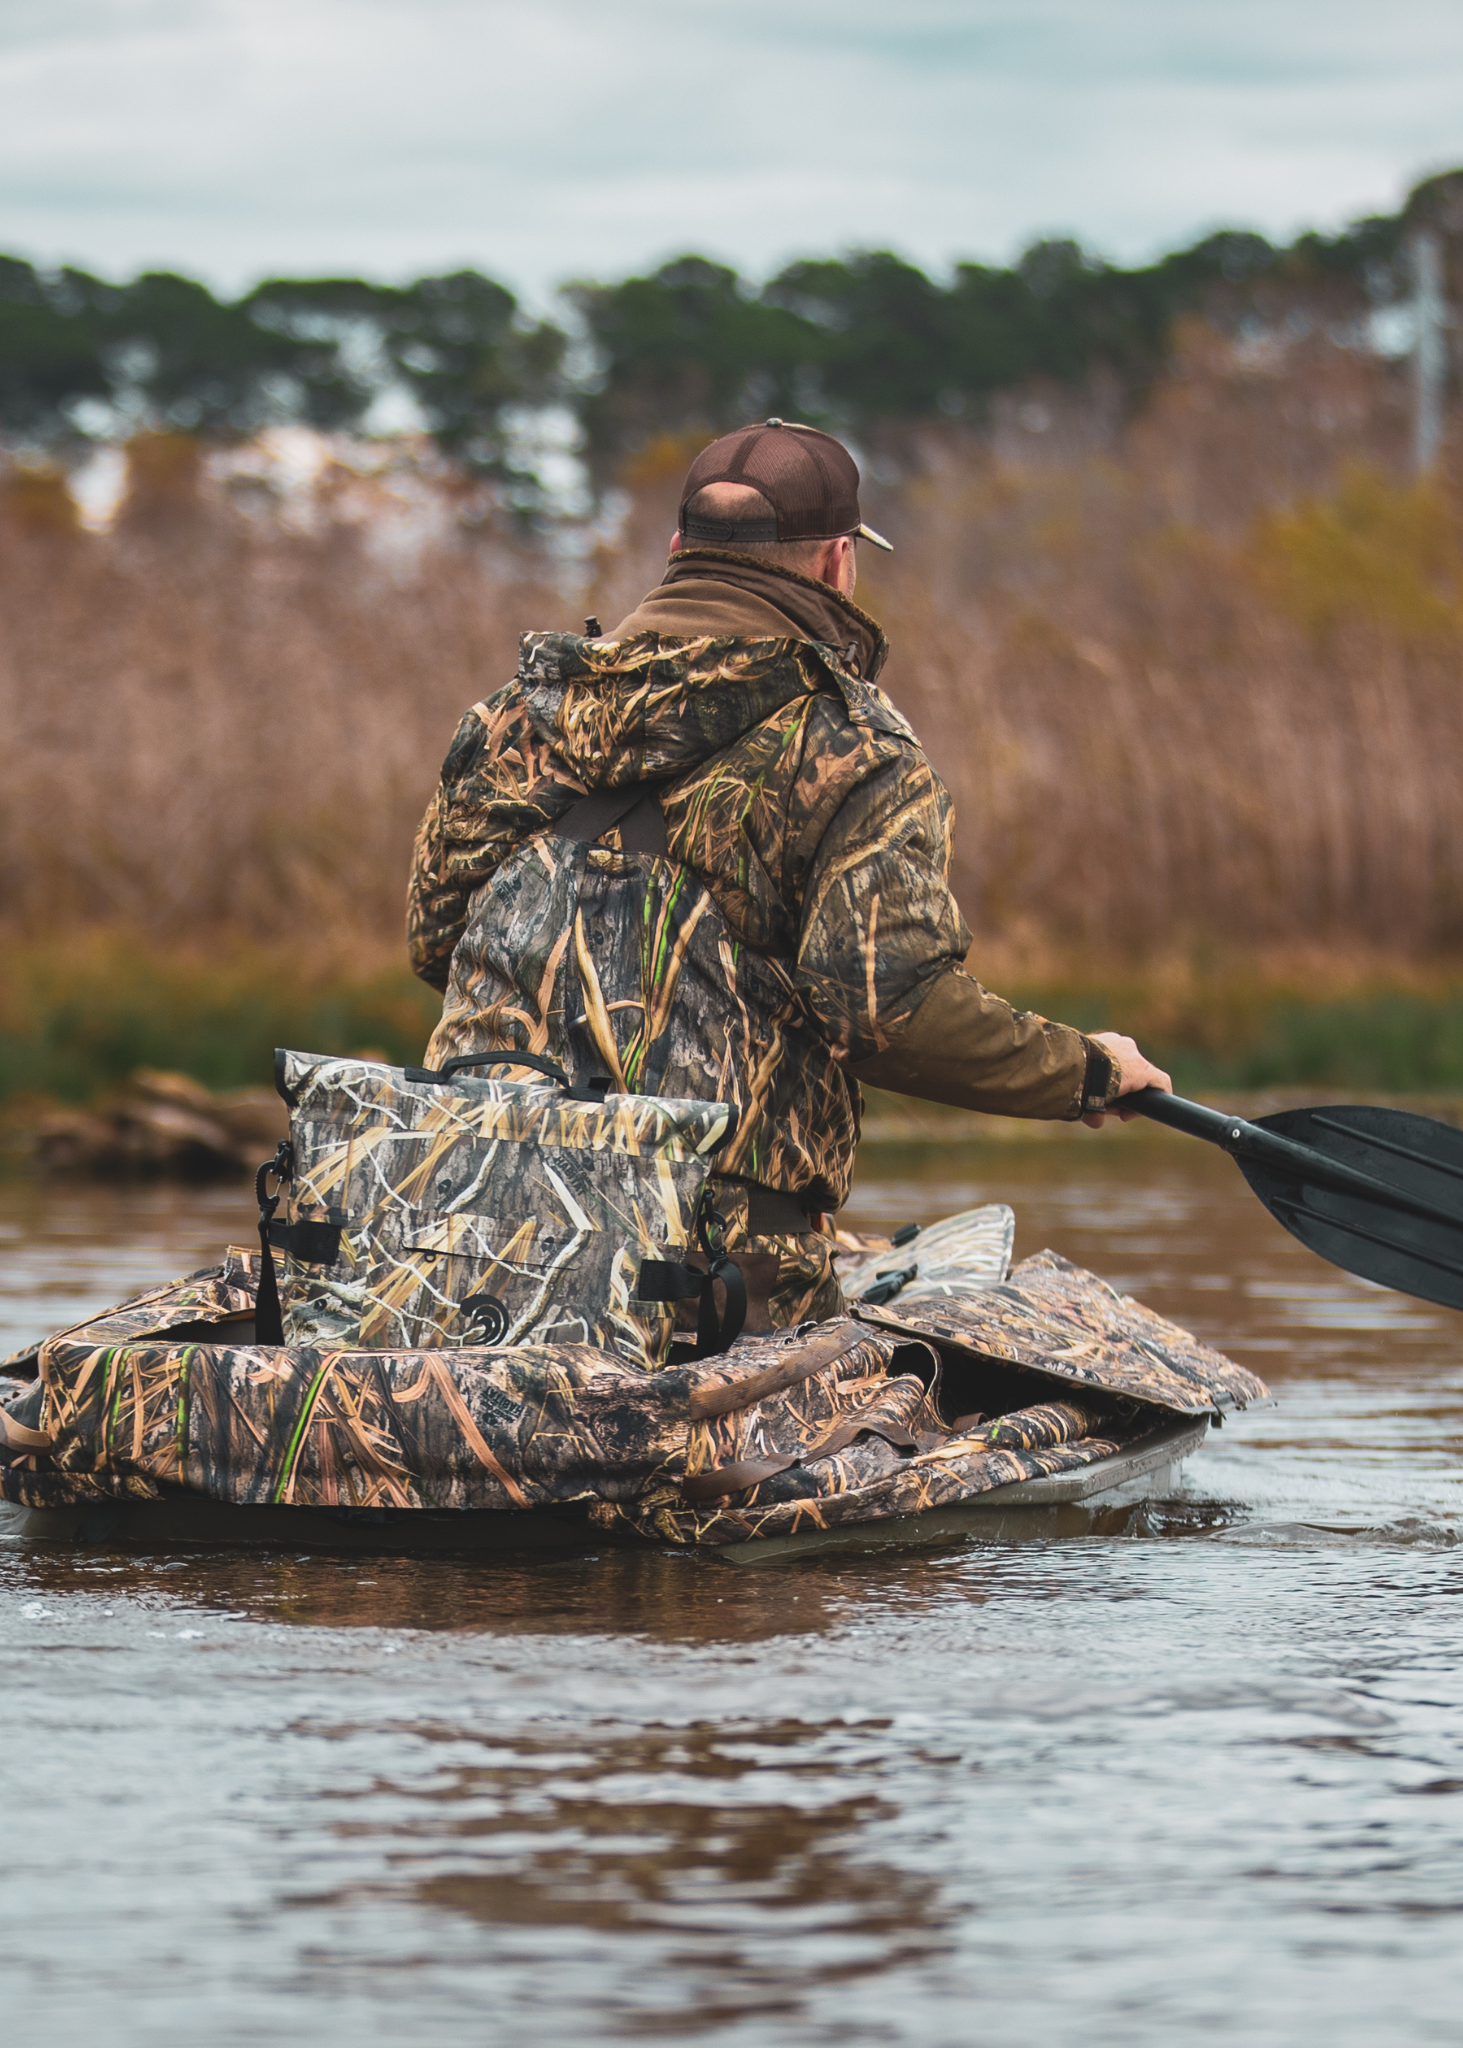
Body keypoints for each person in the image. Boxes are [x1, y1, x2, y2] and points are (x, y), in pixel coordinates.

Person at [407, 419, 1171, 1334]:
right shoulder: (852, 748)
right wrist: (1085, 1070)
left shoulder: (507, 719)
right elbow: (887, 1013)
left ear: (678, 550)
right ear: (837, 564)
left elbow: (438, 944)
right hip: (705, 1278)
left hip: (457, 1241)